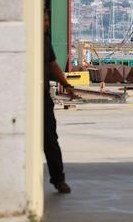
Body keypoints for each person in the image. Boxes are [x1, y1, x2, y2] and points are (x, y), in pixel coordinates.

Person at [44, 11, 77, 194]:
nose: (47, 23)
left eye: (48, 20)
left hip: (43, 98)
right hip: (29, 97)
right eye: (45, 20)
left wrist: (66, 84)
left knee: (51, 141)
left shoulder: (45, 41)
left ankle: (58, 179)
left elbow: (53, 66)